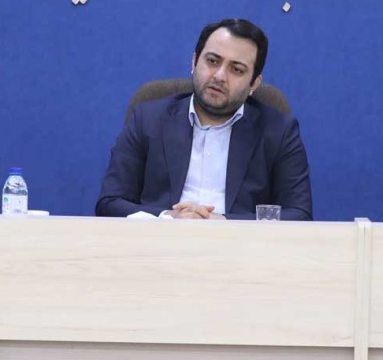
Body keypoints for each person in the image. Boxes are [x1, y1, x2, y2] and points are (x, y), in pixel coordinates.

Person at [96, 18, 313, 220]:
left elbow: (299, 214)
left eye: (236, 70)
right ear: (194, 62)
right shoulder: (148, 119)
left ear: (254, 84)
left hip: (240, 247)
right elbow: (109, 203)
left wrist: (224, 223)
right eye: (212, 61)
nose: (219, 76)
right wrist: (168, 218)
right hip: (159, 243)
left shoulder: (279, 131)